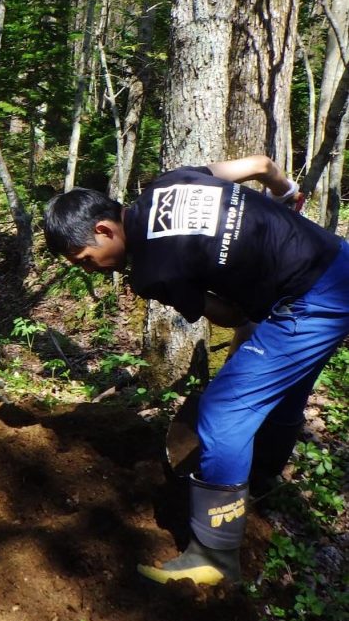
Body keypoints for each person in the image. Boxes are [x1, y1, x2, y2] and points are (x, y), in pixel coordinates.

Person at [43, 155, 349, 586]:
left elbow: (224, 315)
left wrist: (245, 321)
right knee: (284, 392)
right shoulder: (169, 182)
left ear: (104, 229)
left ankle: (214, 557)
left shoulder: (152, 271)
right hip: (337, 263)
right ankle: (260, 479)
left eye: (85, 258)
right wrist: (285, 193)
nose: (89, 267)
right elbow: (262, 163)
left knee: (221, 416)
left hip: (310, 304)